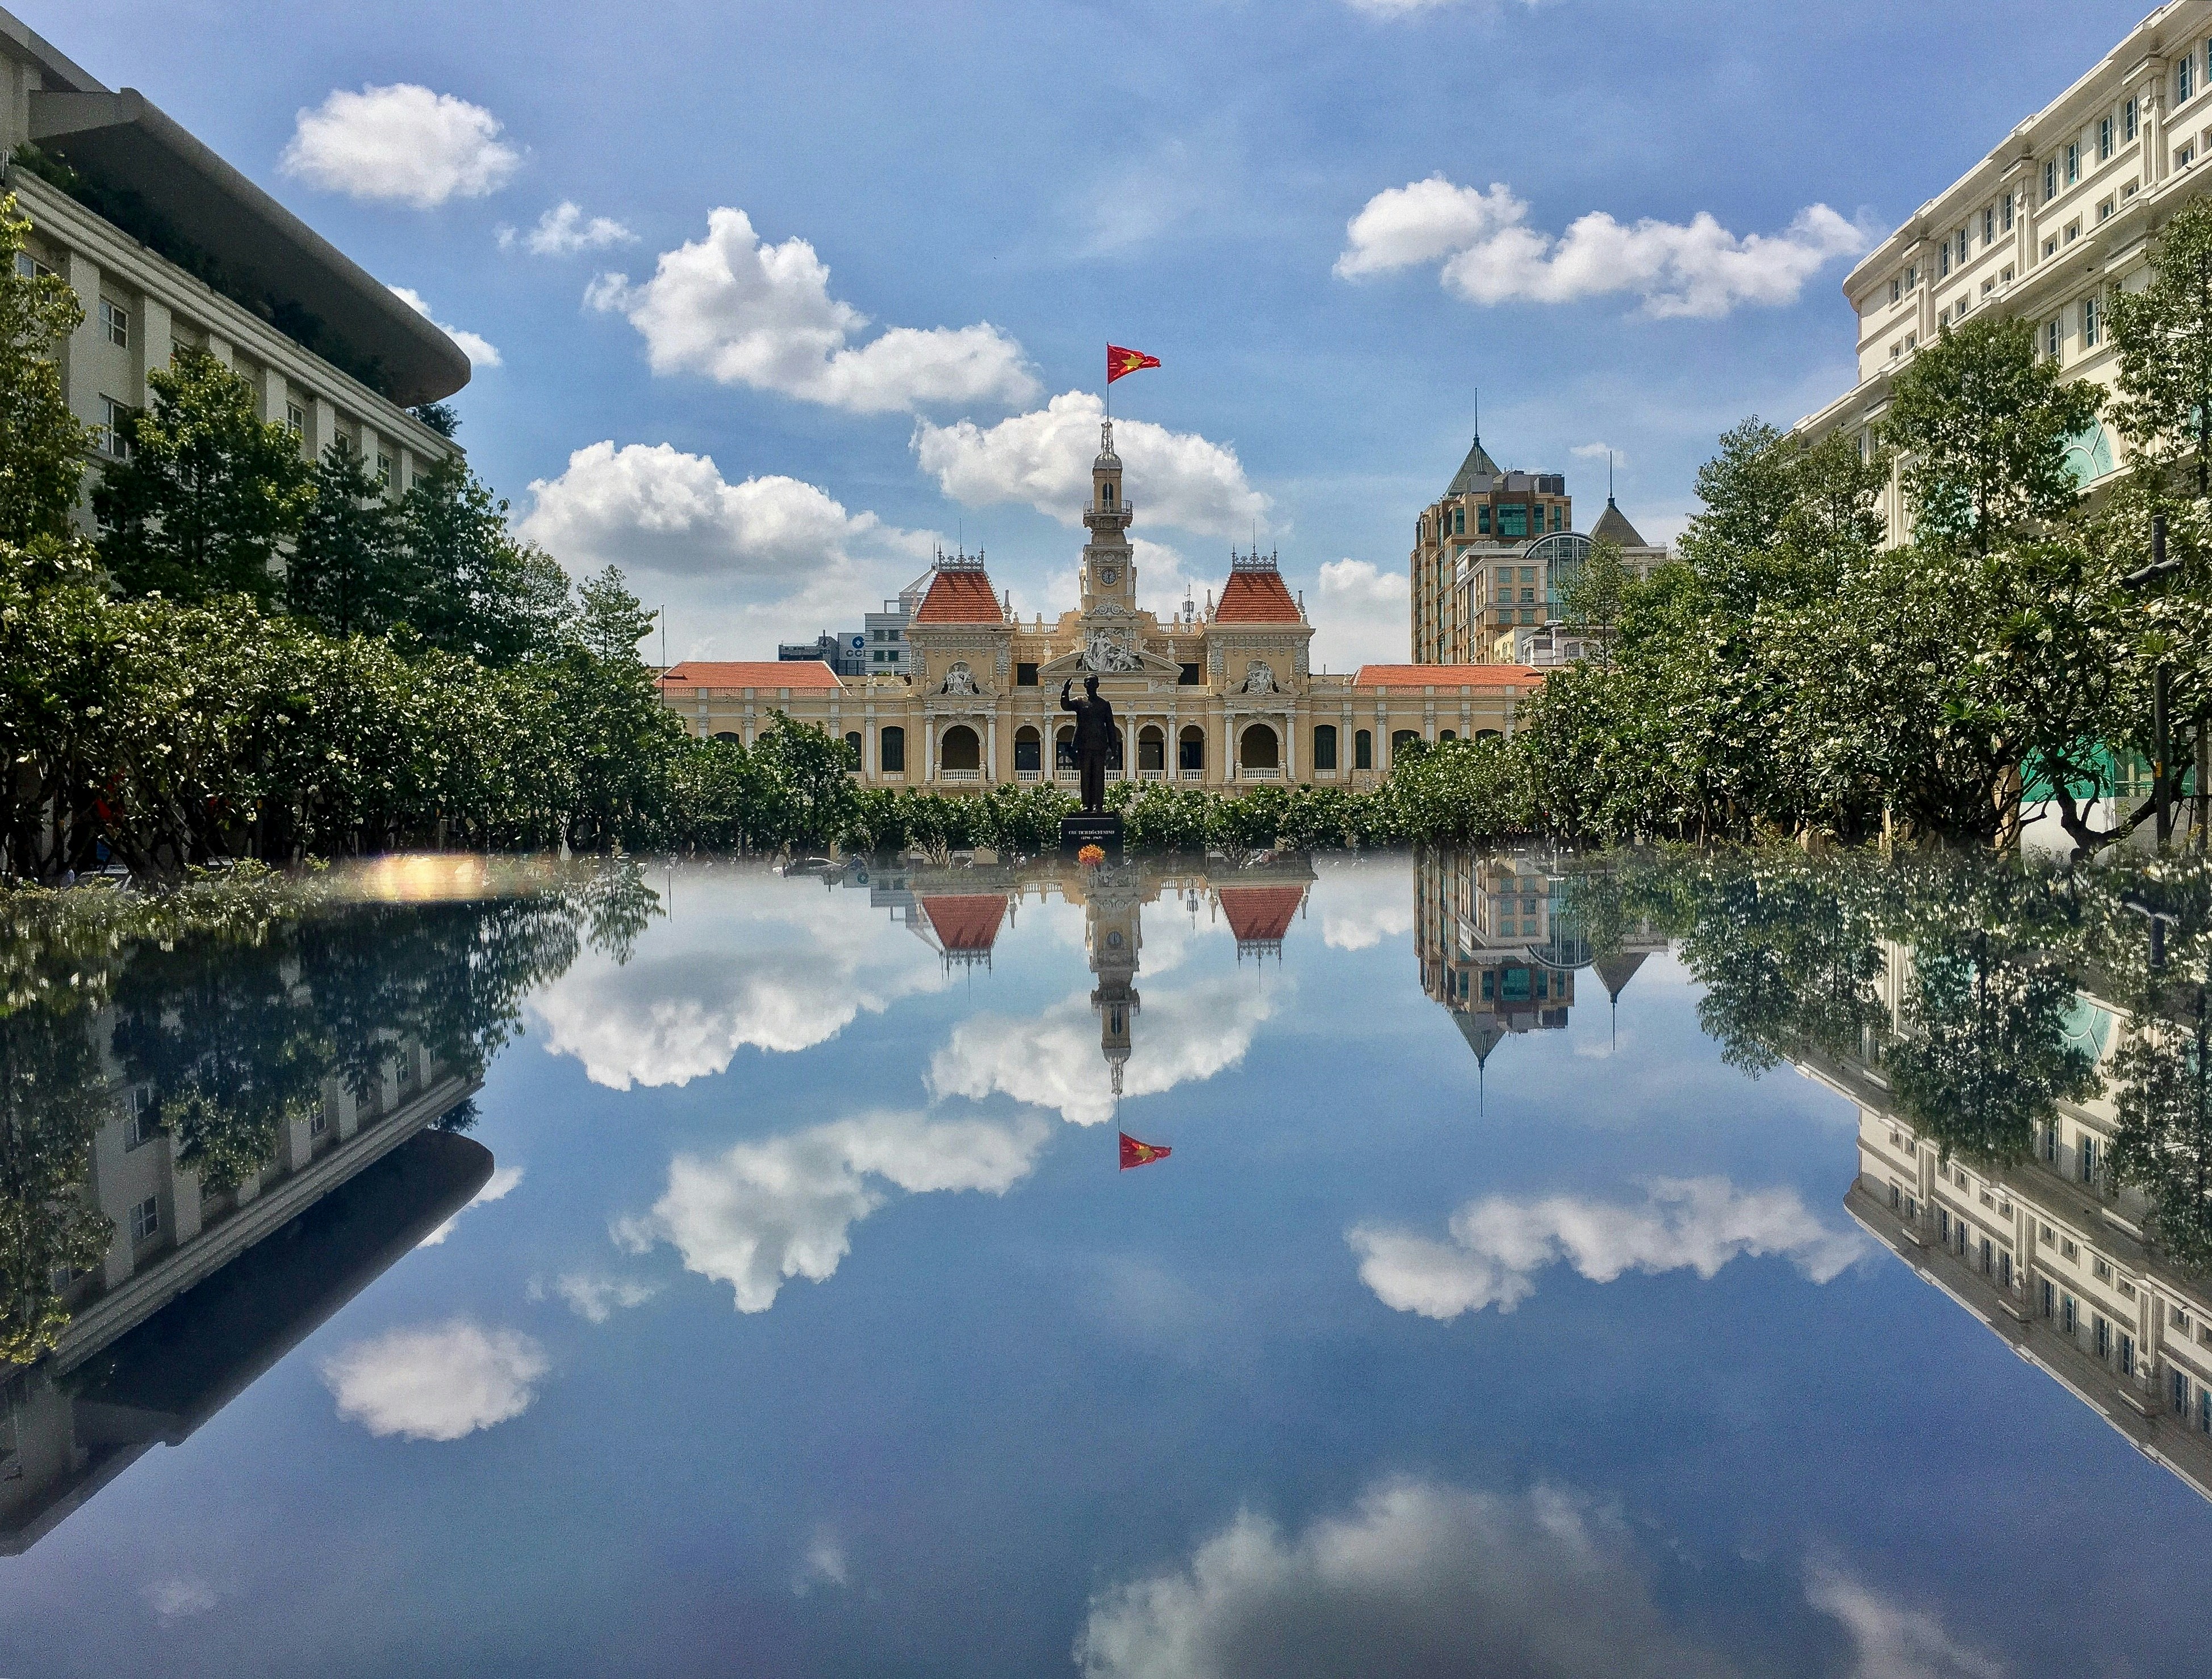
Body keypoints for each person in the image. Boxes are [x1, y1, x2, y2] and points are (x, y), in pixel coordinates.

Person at [1060, 676, 1117, 814]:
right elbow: (1066, 706)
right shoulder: (1080, 701)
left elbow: (1111, 726)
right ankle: (1086, 805)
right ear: (1084, 685)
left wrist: (1114, 750)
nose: (1090, 685)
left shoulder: (1104, 704)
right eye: (1088, 683)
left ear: (1098, 685)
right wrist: (1065, 692)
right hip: (1084, 745)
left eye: (1093, 683)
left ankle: (1098, 806)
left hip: (1099, 746)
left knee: (1099, 777)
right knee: (1085, 776)